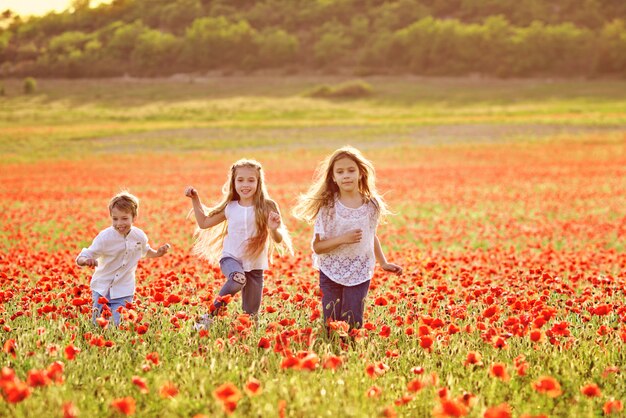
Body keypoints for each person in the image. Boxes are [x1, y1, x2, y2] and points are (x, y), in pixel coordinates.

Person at [293, 146, 402, 331]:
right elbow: (318, 247)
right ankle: (331, 356)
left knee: (352, 322)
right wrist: (343, 239)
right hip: (331, 269)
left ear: (361, 173)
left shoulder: (371, 205)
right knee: (332, 322)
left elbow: (370, 236)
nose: (346, 175)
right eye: (340, 172)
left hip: (360, 269)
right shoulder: (328, 206)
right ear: (333, 177)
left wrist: (383, 263)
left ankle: (349, 354)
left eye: (351, 170)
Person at [185, 159, 292, 330]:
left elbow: (278, 238)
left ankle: (244, 341)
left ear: (259, 182)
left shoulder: (267, 206)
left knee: (250, 317)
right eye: (240, 180)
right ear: (233, 182)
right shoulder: (230, 207)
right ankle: (208, 318)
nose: (245, 185)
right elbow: (204, 222)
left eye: (251, 180)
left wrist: (273, 229)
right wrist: (195, 199)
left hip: (255, 266)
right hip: (231, 258)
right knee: (237, 279)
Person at [76, 191, 170, 326]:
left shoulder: (139, 236)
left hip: (124, 290)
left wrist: (157, 253)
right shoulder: (105, 237)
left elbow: (145, 251)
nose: (119, 223)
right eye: (115, 219)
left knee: (117, 324)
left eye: (124, 218)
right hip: (101, 289)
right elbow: (83, 256)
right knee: (97, 326)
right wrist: (86, 261)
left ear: (134, 217)